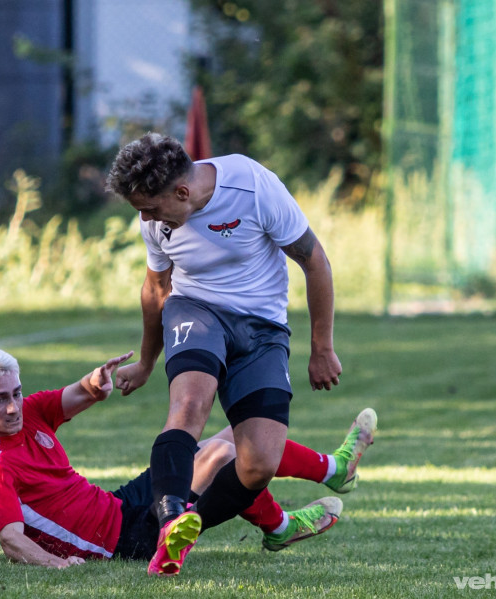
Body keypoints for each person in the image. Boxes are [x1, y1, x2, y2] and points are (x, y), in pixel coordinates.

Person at [105, 133, 343, 575]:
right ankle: (170, 517)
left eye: (151, 208)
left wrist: (322, 348)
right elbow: (158, 288)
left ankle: (184, 529)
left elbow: (314, 261)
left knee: (259, 464)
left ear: (181, 193)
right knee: (190, 404)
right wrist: (145, 361)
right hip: (195, 310)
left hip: (262, 328)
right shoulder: (156, 219)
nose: (144, 218)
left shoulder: (254, 189)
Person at [0, 347, 376, 572]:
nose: (14, 407)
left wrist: (96, 382)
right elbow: (13, 541)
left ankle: (333, 471)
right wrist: (58, 565)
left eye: (16, 393)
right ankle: (283, 525)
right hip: (122, 544)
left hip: (120, 505)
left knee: (241, 432)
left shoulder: (30, 413)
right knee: (223, 454)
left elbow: (79, 393)